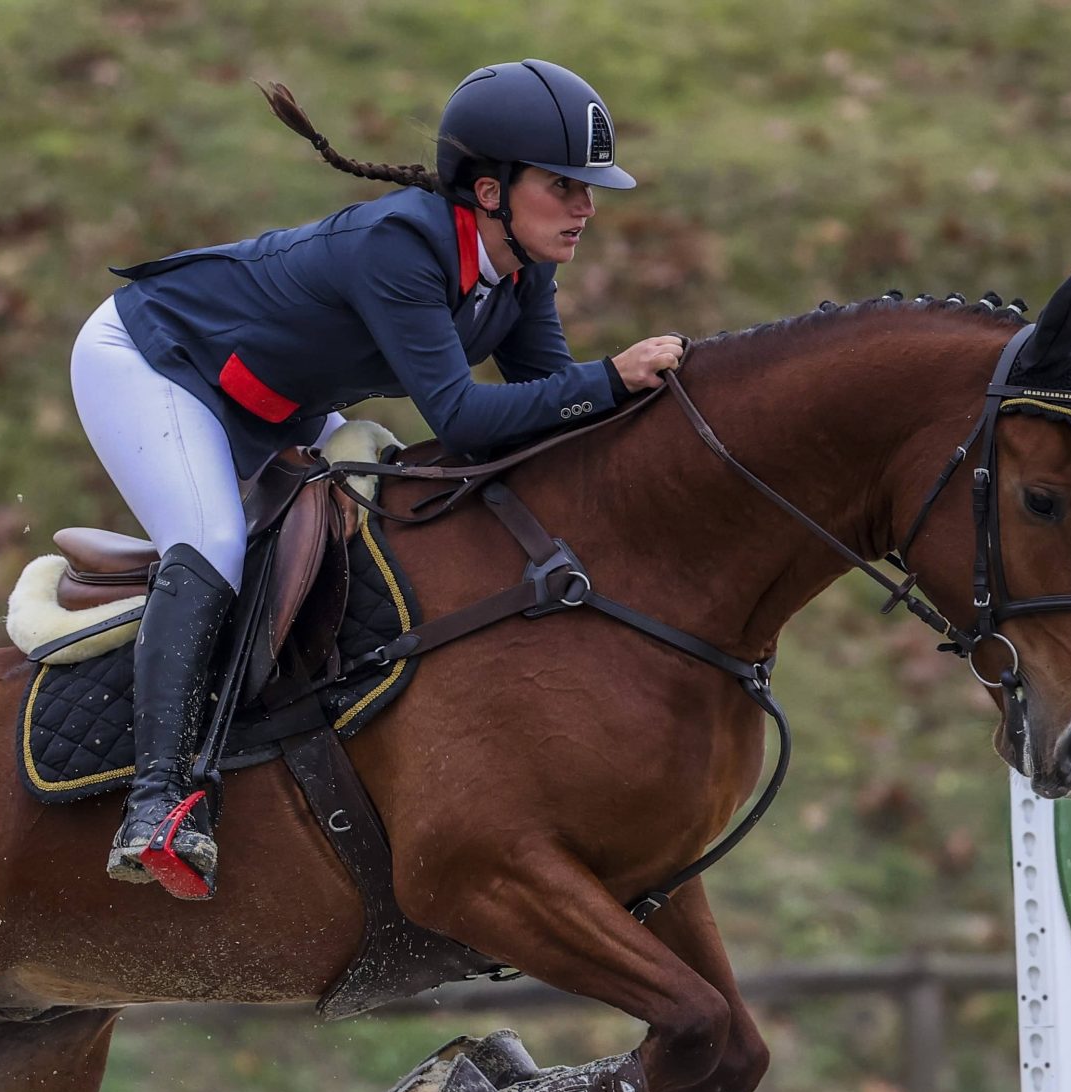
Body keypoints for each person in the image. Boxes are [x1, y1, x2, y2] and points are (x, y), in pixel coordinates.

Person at [72, 58, 688, 899]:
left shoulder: (521, 270)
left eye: (588, 188)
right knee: (212, 540)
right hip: (159, 362)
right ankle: (158, 805)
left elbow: (549, 410)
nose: (587, 207)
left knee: (394, 496)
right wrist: (612, 377)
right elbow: (465, 418)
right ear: (489, 191)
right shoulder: (399, 246)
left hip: (280, 402)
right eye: (564, 185)